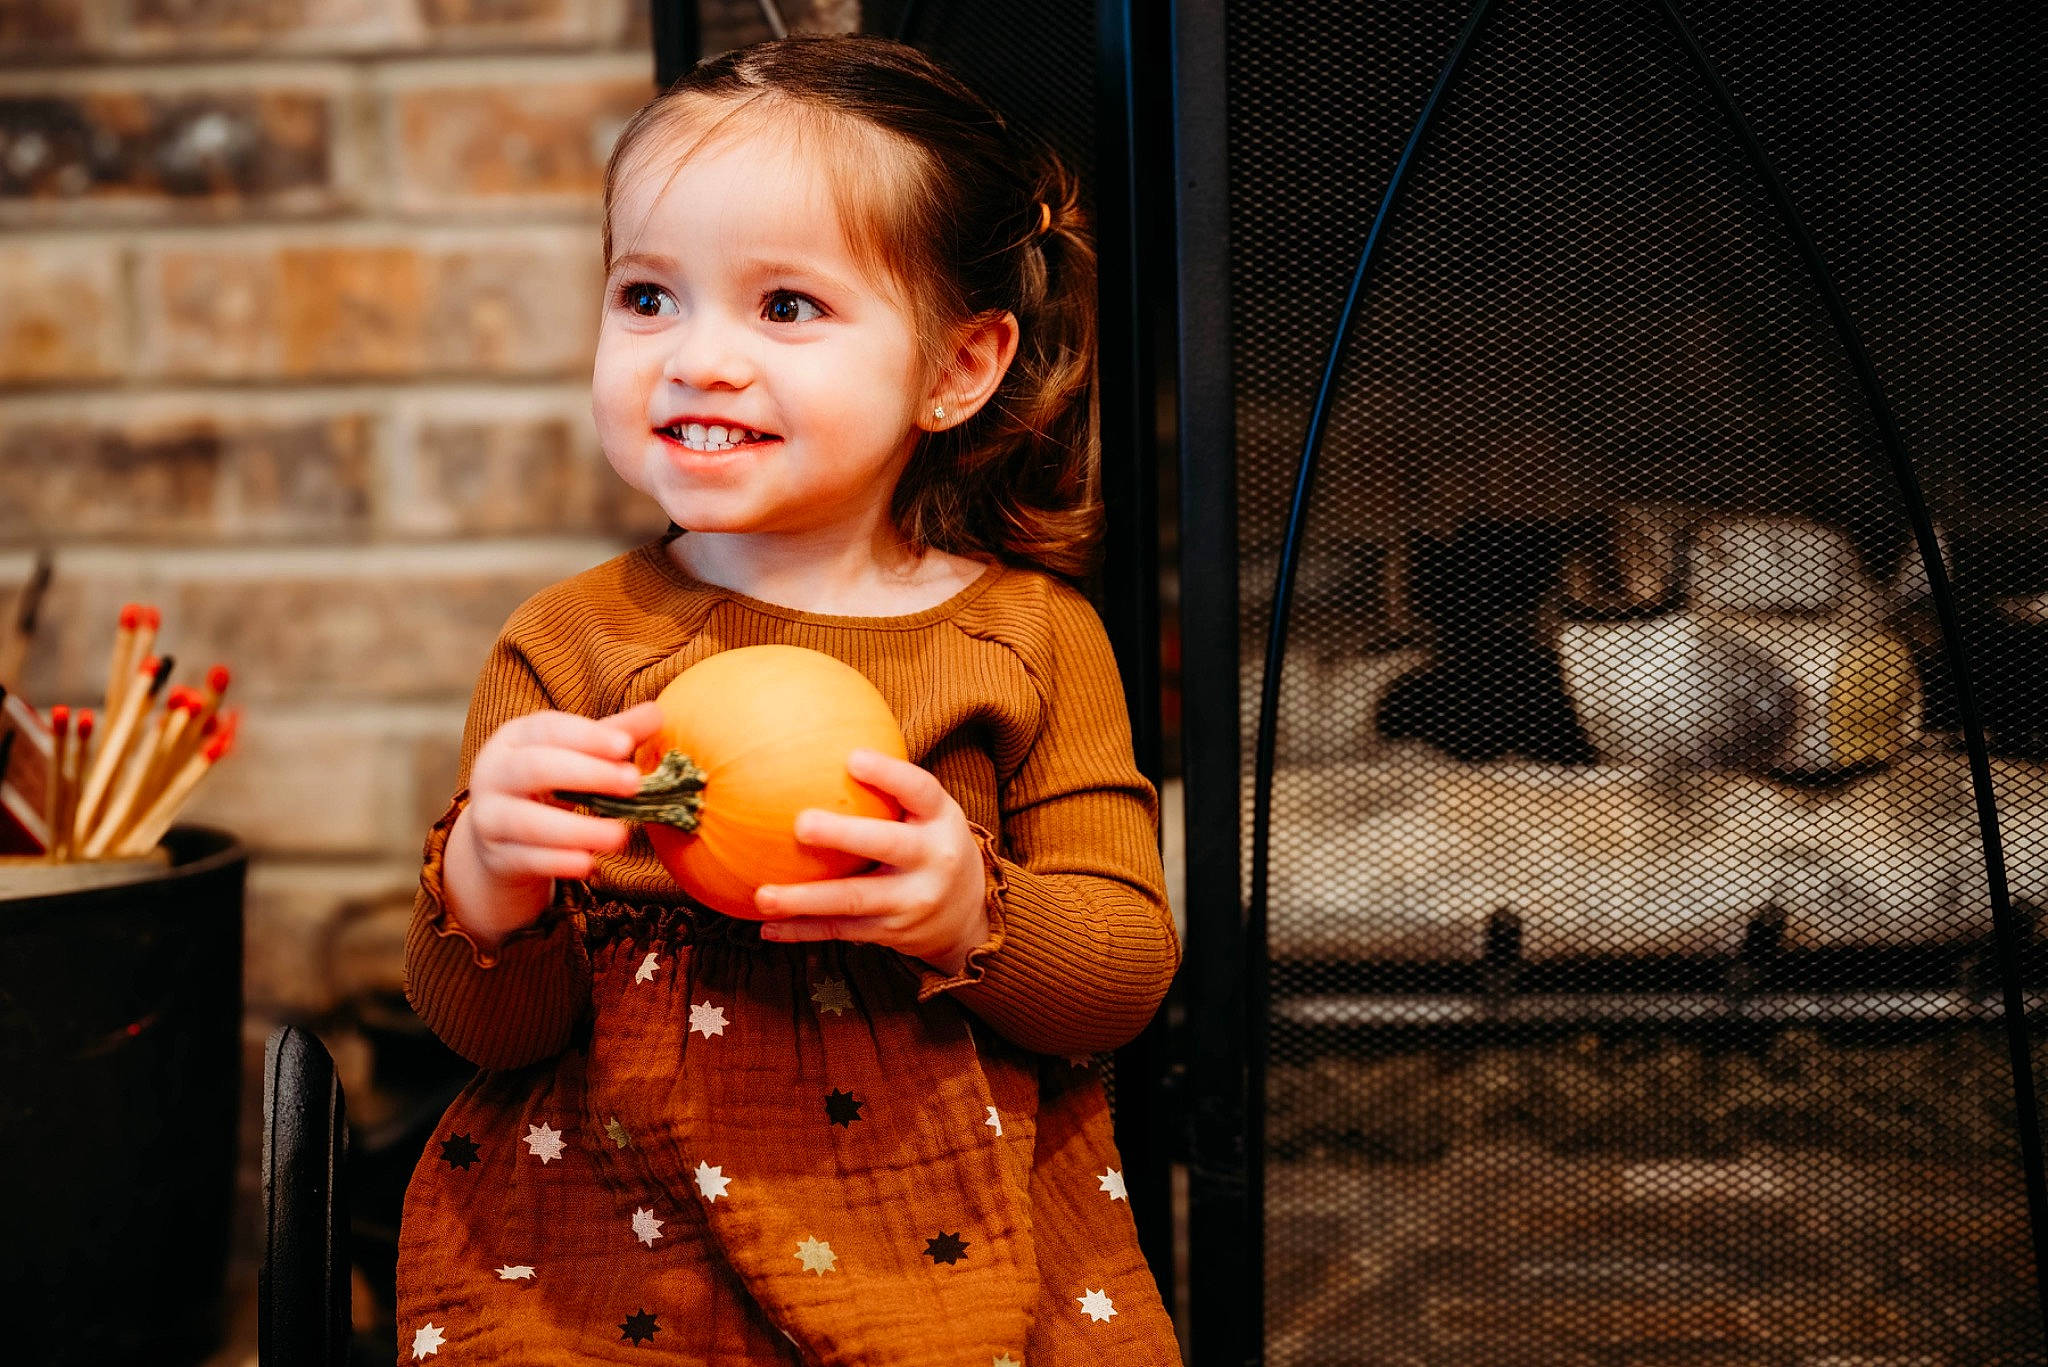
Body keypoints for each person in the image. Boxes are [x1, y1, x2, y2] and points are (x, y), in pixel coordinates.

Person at [394, 33, 1183, 1365]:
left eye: (786, 308)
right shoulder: (572, 645)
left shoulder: (1030, 638)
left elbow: (1120, 979)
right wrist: (488, 882)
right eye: (648, 297)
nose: (697, 359)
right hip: (620, 1253)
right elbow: (500, 1029)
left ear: (958, 367)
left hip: (945, 1243)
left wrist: (967, 910)